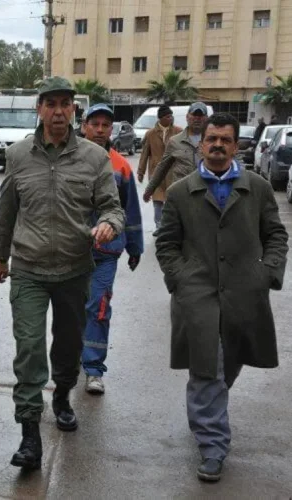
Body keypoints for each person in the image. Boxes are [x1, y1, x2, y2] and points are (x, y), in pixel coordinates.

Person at [0, 77, 125, 470]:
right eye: (51, 104)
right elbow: (6, 211)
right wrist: (1, 256)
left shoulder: (93, 158)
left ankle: (63, 395)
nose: (58, 111)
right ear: (39, 109)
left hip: (74, 269)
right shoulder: (17, 156)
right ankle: (29, 435)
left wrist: (110, 226)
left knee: (67, 346)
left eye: (66, 104)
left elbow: (112, 207)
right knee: (29, 347)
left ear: (74, 110)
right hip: (29, 269)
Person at [155, 112, 288, 482]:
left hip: (244, 296)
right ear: (201, 143)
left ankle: (205, 410)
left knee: (228, 362)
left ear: (235, 145)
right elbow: (166, 244)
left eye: (224, 140)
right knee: (208, 369)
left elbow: (276, 235)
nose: (216, 146)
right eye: (211, 139)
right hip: (197, 296)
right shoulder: (182, 192)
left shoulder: (257, 188)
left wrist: (267, 273)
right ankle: (213, 446)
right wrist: (180, 279)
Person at [79, 104, 143, 395]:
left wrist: (135, 247)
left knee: (99, 308)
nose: (101, 129)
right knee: (73, 310)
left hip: (106, 252)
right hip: (70, 251)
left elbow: (130, 209)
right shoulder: (69, 161)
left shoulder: (120, 166)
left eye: (106, 124)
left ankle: (93, 369)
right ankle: (69, 363)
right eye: (95, 124)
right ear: (84, 126)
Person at [143, 102, 209, 204]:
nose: (197, 118)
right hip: (181, 196)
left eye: (201, 116)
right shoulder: (175, 141)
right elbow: (162, 167)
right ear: (187, 117)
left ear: (206, 118)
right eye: (194, 115)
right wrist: (149, 190)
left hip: (206, 195)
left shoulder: (213, 141)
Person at [137, 105, 183, 233]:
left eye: (171, 116)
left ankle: (170, 225)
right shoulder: (150, 134)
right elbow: (144, 153)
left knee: (171, 200)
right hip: (156, 172)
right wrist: (141, 171)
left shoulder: (178, 131)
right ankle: (159, 226)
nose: (171, 118)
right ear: (161, 118)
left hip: (173, 171)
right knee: (157, 201)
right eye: (168, 116)